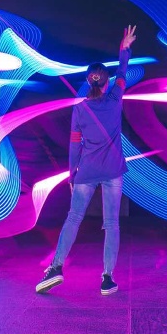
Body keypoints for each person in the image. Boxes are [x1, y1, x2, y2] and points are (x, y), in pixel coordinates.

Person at [36, 25, 136, 296]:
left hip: (87, 171)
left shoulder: (80, 110)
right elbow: (123, 74)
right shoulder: (115, 100)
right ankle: (107, 279)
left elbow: (74, 146)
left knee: (73, 219)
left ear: (88, 81)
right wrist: (124, 49)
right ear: (105, 83)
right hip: (113, 170)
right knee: (112, 224)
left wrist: (72, 174)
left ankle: (56, 268)